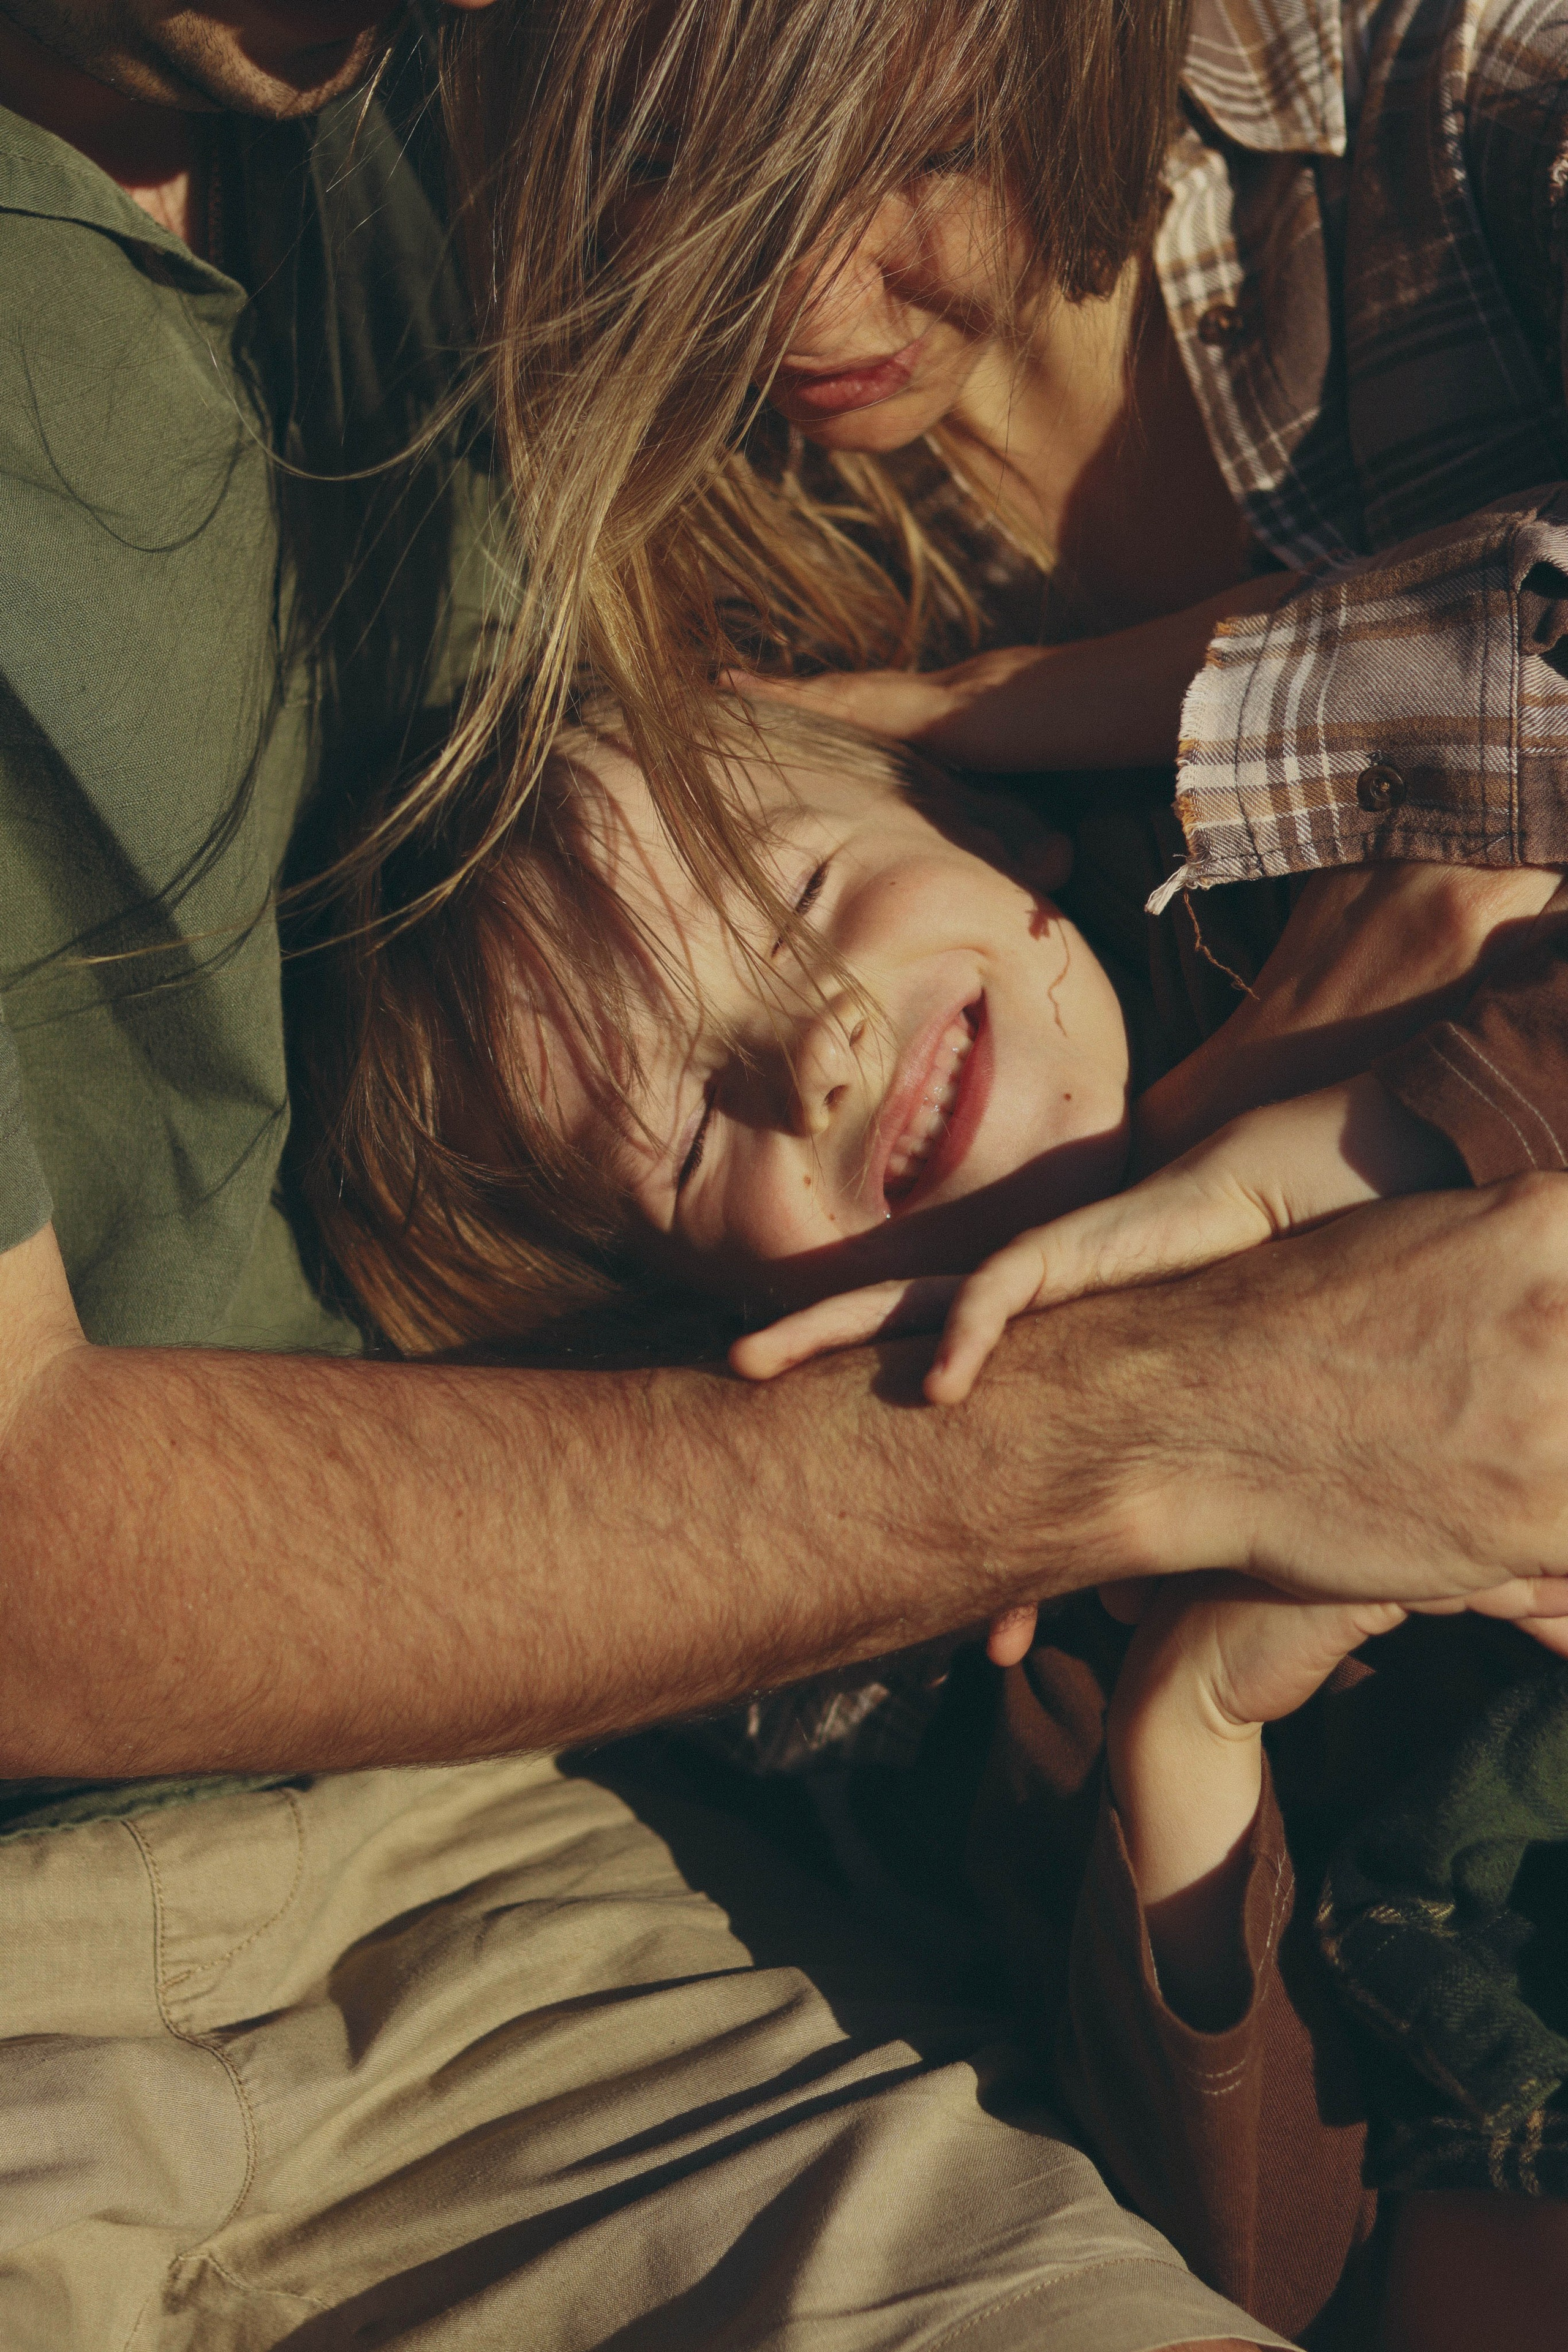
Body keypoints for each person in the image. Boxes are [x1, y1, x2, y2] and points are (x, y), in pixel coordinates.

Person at [0, 5, 1565, 2351]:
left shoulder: (1465, 125)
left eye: (903, 159)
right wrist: (1184, 1714)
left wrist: (1334, 1111)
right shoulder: (701, 512)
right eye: (675, 199)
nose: (813, 305)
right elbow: (1285, 2240)